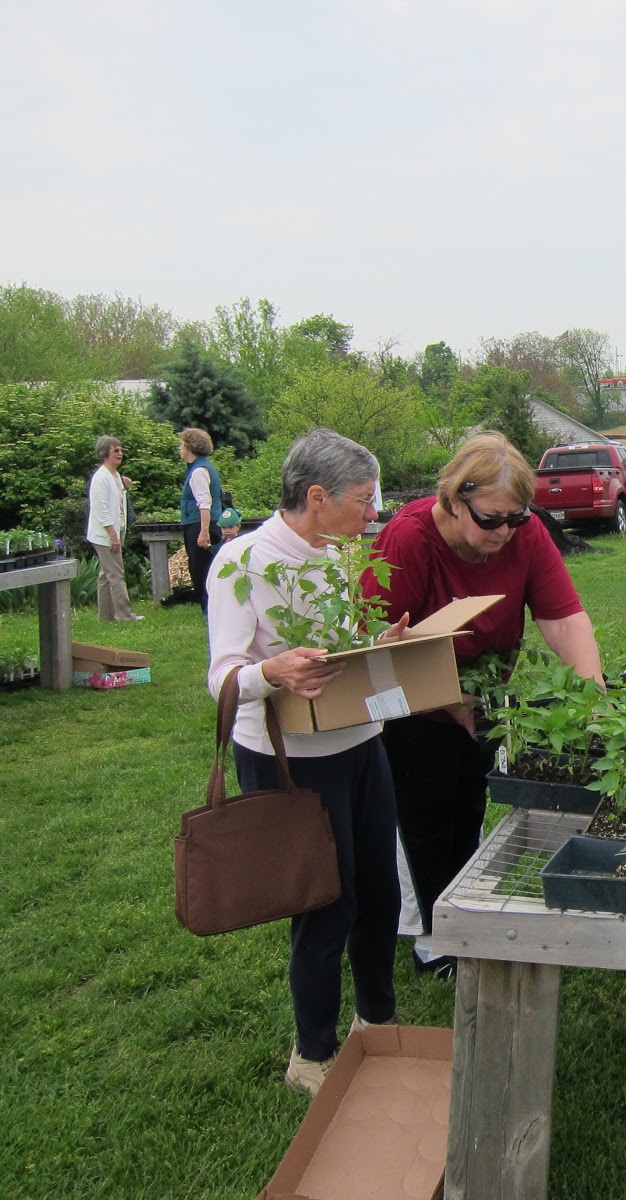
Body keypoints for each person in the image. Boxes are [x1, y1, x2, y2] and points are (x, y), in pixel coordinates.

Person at [206, 428, 405, 1096]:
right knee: (327, 901)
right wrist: (274, 670)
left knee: (381, 892)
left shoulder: (339, 555)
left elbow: (337, 649)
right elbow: (224, 676)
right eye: (363, 499)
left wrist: (379, 644)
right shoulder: (243, 562)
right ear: (316, 497)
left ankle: (376, 1020)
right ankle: (312, 1056)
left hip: (359, 742)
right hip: (290, 758)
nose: (372, 513)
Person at [363, 432, 604, 978]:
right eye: (490, 519)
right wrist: (449, 703)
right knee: (425, 816)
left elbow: (564, 618)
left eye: (515, 519)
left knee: (469, 803)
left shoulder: (525, 535)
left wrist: (595, 695)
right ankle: (432, 938)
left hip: (484, 689)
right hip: (411, 702)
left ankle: (457, 918)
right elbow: (378, 644)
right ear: (453, 499)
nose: (503, 533)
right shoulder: (409, 538)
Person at [85, 435, 141, 622]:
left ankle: (106, 616)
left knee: (105, 575)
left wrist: (124, 487)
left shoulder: (115, 476)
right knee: (116, 574)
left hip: (112, 533)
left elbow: (117, 503)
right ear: (104, 453)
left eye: (121, 450)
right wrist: (112, 535)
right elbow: (101, 509)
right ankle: (125, 615)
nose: (120, 453)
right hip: (105, 535)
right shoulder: (101, 477)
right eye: (115, 450)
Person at [179, 428, 223, 616]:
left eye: (182, 444)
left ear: (190, 447)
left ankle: (210, 611)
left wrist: (203, 532)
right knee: (202, 569)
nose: (180, 448)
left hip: (200, 524)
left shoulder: (198, 471)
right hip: (202, 523)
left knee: (201, 571)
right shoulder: (201, 468)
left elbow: (204, 503)